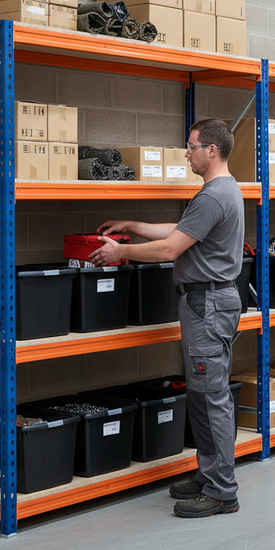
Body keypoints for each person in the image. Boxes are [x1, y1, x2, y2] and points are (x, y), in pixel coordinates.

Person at [89, 119, 245, 518]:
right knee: (201, 395)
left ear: (212, 150)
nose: (188, 153)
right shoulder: (220, 191)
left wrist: (120, 253)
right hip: (205, 304)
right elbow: (182, 230)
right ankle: (210, 476)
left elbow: (171, 249)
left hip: (207, 305)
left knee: (211, 399)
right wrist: (133, 226)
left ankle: (222, 491)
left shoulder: (213, 195)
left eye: (191, 147)